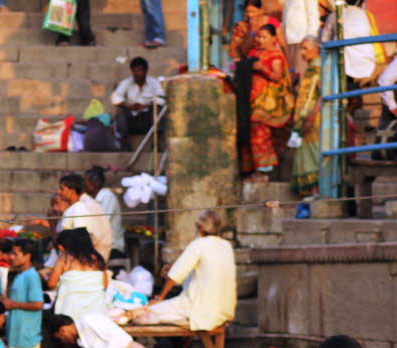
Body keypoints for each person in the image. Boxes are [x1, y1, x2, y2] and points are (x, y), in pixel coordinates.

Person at [132, 209, 236, 332]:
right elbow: (203, 272)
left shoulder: (199, 244)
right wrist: (173, 268)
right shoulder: (226, 246)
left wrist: (159, 298)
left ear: (200, 227)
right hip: (224, 311)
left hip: (200, 310)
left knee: (141, 314)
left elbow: (175, 276)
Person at [242, 24, 293, 181]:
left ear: (273, 38)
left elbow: (277, 76)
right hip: (253, 99)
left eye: (264, 37)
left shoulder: (276, 55)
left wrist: (262, 68)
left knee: (260, 134)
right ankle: (255, 169)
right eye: (258, 36)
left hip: (268, 102)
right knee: (252, 133)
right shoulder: (254, 52)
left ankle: (264, 171)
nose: (260, 40)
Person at [1, 238, 44, 348]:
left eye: (16, 254)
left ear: (28, 256)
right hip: (16, 336)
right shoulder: (21, 276)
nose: (12, 257)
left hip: (27, 337)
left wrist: (12, 303)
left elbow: (38, 304)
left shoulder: (31, 276)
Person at [111, 57, 166, 151]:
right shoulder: (126, 82)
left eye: (139, 71)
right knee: (120, 111)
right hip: (131, 119)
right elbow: (115, 97)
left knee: (158, 110)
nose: (136, 74)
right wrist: (128, 106)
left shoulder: (153, 83)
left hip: (147, 118)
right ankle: (125, 144)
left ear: (146, 71)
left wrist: (148, 105)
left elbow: (161, 98)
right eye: (134, 71)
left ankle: (156, 145)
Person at [53, 173, 112, 261]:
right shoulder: (79, 205)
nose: (59, 192)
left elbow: (80, 238)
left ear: (71, 191)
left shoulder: (81, 207)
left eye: (62, 189)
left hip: (87, 259)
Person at [290, 37, 321, 198]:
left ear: (316, 49)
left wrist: (311, 117)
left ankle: (317, 191)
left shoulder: (318, 68)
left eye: (306, 48)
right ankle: (312, 192)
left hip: (314, 118)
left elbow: (324, 95)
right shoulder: (310, 68)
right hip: (304, 116)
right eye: (301, 48)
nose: (302, 52)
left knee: (313, 153)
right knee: (307, 153)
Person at [84, 166, 125, 257]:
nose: (84, 185)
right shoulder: (92, 199)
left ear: (95, 183)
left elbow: (100, 223)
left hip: (111, 247)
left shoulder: (107, 197)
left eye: (86, 182)